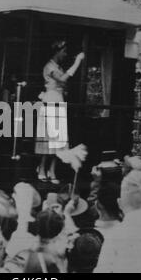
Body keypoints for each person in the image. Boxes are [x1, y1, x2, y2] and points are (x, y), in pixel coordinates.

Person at [35, 40, 85, 184]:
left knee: (58, 139)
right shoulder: (49, 66)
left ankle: (52, 170)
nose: (65, 54)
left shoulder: (58, 66)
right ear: (57, 51)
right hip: (51, 101)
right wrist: (77, 62)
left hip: (59, 101)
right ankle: (42, 168)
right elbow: (62, 80)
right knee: (49, 137)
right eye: (64, 51)